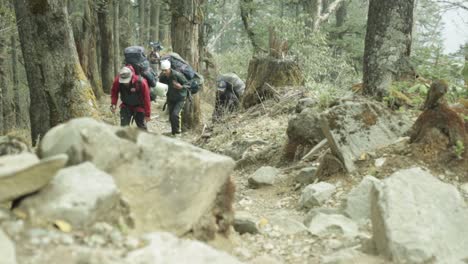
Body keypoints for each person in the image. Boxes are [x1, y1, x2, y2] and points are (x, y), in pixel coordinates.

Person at [110, 65, 151, 130]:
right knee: (124, 127)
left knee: (142, 128)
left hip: (139, 107)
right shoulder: (118, 81)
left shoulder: (141, 82)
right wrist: (113, 104)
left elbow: (147, 98)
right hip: (125, 106)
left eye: (126, 81)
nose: (125, 83)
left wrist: (147, 114)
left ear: (131, 76)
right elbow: (114, 92)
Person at [158, 60, 188, 136]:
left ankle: (178, 133)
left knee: (175, 114)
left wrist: (181, 87)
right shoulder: (162, 77)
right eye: (163, 70)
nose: (164, 72)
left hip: (180, 98)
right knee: (171, 116)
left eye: (166, 70)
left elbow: (188, 84)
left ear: (169, 68)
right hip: (170, 98)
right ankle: (173, 132)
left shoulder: (177, 75)